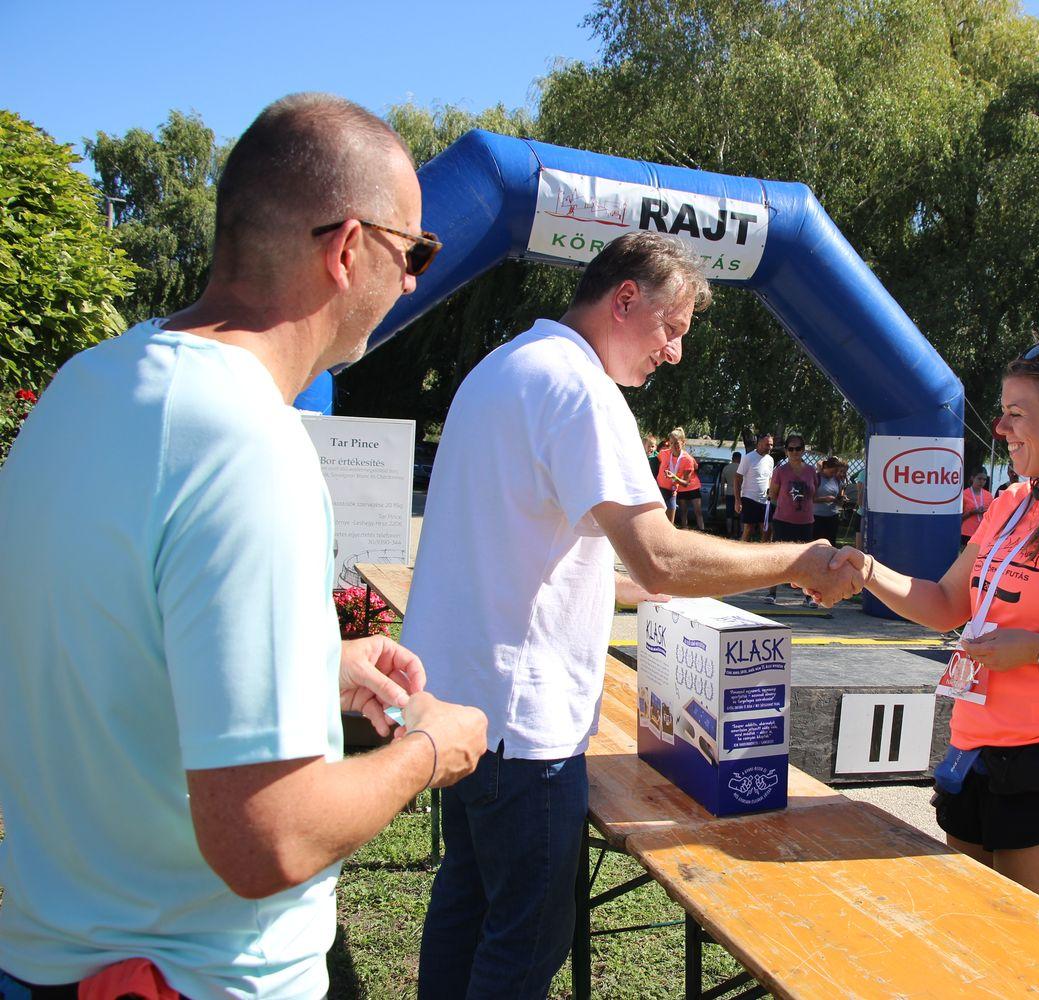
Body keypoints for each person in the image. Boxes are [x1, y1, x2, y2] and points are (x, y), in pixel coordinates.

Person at [0, 94, 489, 999]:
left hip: (44, 959)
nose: (413, 284)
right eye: (415, 253)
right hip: (200, 978)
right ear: (348, 249)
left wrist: (311, 666)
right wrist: (430, 751)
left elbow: (102, 648)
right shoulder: (248, 446)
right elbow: (269, 839)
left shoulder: (84, 389)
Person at [402, 233, 864, 999]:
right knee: (526, 937)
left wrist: (624, 592)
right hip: (522, 726)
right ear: (625, 299)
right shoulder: (582, 390)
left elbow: (524, 544)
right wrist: (798, 561)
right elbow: (661, 556)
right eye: (671, 327)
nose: (675, 352)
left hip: (457, 702)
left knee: (467, 900)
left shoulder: (505, 367)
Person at [829, 338, 1039, 914]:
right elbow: (947, 603)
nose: (1000, 427)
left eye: (1017, 413)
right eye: (1002, 411)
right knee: (968, 931)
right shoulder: (1012, 502)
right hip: (974, 748)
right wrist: (867, 570)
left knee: (1032, 948)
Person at [765, 434, 819, 603]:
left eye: (798, 448)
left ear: (803, 450)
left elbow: (814, 493)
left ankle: (808, 596)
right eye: (791, 449)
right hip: (783, 520)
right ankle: (772, 593)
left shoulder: (811, 471)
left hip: (805, 521)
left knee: (806, 560)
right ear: (786, 451)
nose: (795, 452)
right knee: (778, 558)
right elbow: (773, 494)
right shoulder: (780, 471)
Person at [657, 427, 704, 529]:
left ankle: (700, 529)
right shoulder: (663, 453)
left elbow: (686, 483)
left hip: (671, 493)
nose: (674, 446)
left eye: (677, 443)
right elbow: (653, 461)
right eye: (671, 443)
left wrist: (674, 478)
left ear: (683, 442)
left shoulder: (687, 459)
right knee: (656, 523)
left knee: (669, 526)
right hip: (659, 490)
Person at [735, 431, 776, 541]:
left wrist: (771, 492)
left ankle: (763, 550)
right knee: (749, 528)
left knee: (767, 529)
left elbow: (769, 478)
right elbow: (737, 478)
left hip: (765, 500)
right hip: (749, 498)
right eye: (767, 444)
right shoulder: (748, 458)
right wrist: (737, 500)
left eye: (771, 445)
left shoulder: (770, 459)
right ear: (759, 443)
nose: (770, 447)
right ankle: (741, 549)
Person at [812, 455, 849, 545]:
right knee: (816, 544)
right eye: (832, 472)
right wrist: (825, 499)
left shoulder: (837, 480)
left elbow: (839, 498)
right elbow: (810, 499)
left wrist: (842, 499)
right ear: (825, 467)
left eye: (835, 472)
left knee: (831, 543)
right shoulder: (817, 478)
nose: (833, 474)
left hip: (832, 517)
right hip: (817, 517)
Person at [960, 470, 994, 549]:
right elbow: (958, 519)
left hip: (983, 533)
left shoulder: (988, 495)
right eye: (979, 479)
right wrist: (971, 513)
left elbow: (993, 516)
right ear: (972, 478)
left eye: (984, 479)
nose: (982, 482)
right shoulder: (964, 494)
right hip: (966, 534)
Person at [725, 449, 744, 536]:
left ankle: (729, 532)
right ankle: (740, 532)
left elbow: (722, 482)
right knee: (740, 513)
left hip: (729, 492)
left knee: (729, 514)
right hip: (740, 493)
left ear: (732, 458)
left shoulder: (726, 468)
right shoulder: (741, 468)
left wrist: (722, 494)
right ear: (740, 458)